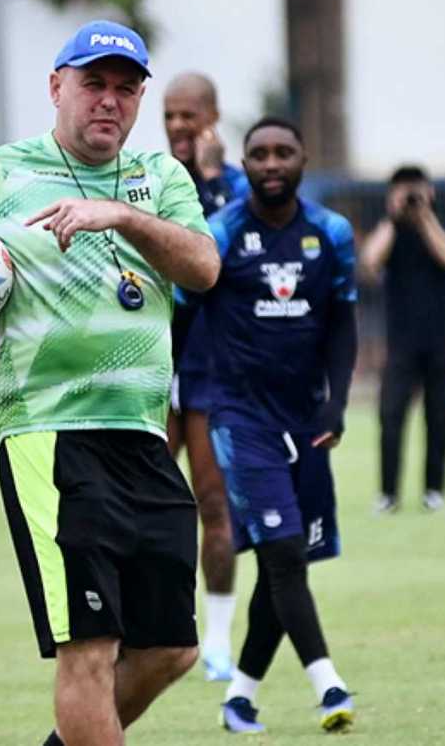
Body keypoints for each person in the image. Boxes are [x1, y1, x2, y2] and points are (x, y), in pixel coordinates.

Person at [0, 20, 220, 746]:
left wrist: (118, 215)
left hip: (143, 436)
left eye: (126, 89)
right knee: (88, 649)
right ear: (57, 86)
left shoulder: (161, 178)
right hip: (49, 438)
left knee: (171, 648)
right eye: (94, 84)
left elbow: (203, 269)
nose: (109, 102)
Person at [175, 117, 357, 733]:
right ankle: (329, 685)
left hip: (305, 422)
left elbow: (343, 323)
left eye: (284, 152)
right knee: (283, 552)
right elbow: (181, 317)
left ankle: (240, 698)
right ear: (244, 165)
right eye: (260, 154)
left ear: (304, 159)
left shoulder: (331, 233)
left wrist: (336, 404)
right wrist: (166, 391)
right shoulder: (220, 234)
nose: (272, 163)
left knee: (287, 566)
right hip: (238, 417)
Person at [163, 71, 249, 682]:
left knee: (212, 503)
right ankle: (140, 630)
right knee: (134, 504)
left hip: (212, 370)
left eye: (188, 115)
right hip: (149, 368)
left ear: (214, 116)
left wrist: (217, 180)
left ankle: (218, 640)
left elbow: (227, 260)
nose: (177, 128)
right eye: (169, 115)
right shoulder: (150, 181)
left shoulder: (242, 187)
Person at [359, 165, 445, 514]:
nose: (411, 198)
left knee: (439, 418)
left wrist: (424, 217)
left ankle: (434, 491)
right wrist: (394, 217)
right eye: (404, 191)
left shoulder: (440, 227)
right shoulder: (389, 233)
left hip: (443, 341)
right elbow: (369, 263)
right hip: (401, 344)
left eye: (416, 190)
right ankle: (389, 493)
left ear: (430, 192)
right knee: (390, 416)